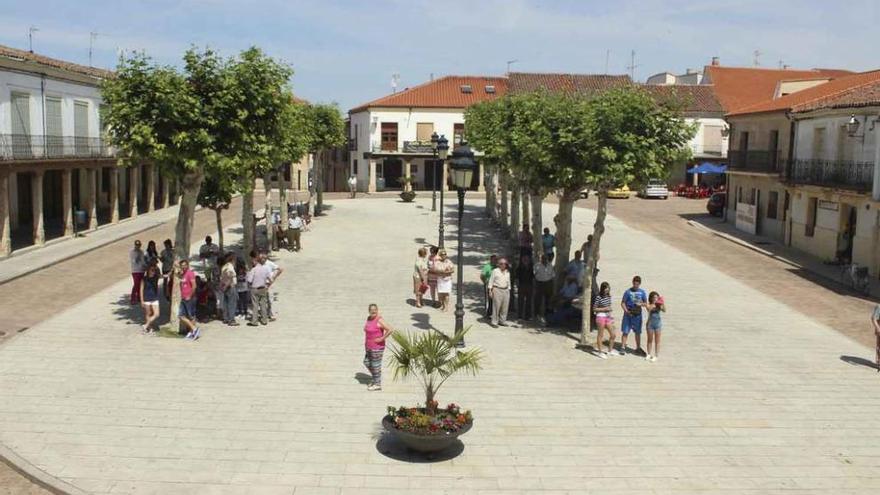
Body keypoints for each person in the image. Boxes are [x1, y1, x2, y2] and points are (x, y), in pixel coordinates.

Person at [363, 303, 394, 391]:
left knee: (375, 365)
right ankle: (376, 378)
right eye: (371, 310)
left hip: (377, 347)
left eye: (374, 310)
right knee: (366, 362)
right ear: (369, 311)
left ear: (377, 310)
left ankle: (377, 384)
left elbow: (390, 329)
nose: (373, 311)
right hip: (368, 346)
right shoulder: (368, 318)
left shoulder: (379, 320)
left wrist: (382, 338)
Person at [620, 275, 648, 356]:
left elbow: (646, 303)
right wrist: (626, 310)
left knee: (638, 332)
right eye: (634, 284)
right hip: (628, 314)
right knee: (625, 331)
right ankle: (622, 347)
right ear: (632, 283)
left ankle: (638, 347)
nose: (635, 285)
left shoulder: (642, 292)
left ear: (639, 284)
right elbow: (623, 302)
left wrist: (641, 304)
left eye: (637, 284)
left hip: (637, 315)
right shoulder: (628, 292)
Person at [247, 253, 274, 326]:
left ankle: (254, 321)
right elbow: (271, 280)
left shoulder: (253, 269)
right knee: (263, 304)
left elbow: (249, 280)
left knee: (255, 305)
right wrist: (267, 285)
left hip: (255, 288)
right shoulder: (266, 269)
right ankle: (264, 320)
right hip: (263, 288)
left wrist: (249, 286)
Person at [177, 259, 200, 340]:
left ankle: (192, 332)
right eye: (181, 265)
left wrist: (190, 296)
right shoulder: (182, 274)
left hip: (190, 298)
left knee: (191, 316)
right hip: (183, 298)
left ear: (187, 265)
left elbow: (194, 286)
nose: (183, 267)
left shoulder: (190, 273)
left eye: (184, 265)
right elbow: (178, 276)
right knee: (181, 315)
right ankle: (193, 329)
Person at [592, 282, 617, 359]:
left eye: (608, 288)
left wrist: (609, 312)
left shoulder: (609, 296)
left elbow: (608, 306)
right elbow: (594, 308)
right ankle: (600, 352)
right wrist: (604, 309)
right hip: (600, 316)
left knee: (613, 334)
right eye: (606, 288)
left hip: (607, 317)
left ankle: (610, 350)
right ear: (602, 289)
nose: (607, 289)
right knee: (600, 335)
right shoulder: (599, 297)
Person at [488, 258, 511, 327]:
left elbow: (508, 281)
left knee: (505, 306)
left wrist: (509, 289)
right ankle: (494, 322)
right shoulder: (495, 271)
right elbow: (491, 280)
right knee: (496, 306)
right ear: (498, 264)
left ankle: (502, 321)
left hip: (506, 290)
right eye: (501, 263)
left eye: (505, 264)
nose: (503, 265)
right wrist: (490, 290)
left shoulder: (507, 272)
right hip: (497, 289)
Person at [261, 251, 283, 320]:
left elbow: (280, 269)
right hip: (262, 284)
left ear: (265, 258)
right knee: (263, 299)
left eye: (263, 258)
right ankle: (265, 314)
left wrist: (274, 277)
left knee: (270, 299)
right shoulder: (259, 264)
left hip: (269, 283)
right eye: (261, 258)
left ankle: (271, 314)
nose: (262, 259)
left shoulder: (269, 263)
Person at [140, 264, 161, 335]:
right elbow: (141, 290)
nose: (153, 271)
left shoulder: (156, 277)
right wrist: (142, 300)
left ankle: (145, 325)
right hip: (146, 299)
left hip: (155, 298)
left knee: (157, 314)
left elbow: (164, 276)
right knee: (148, 314)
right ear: (148, 271)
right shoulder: (144, 279)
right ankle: (149, 328)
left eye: (154, 270)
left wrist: (172, 270)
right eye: (152, 270)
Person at [219, 252, 239, 326]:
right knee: (232, 303)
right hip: (230, 286)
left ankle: (226, 318)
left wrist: (222, 286)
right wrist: (226, 286)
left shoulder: (224, 266)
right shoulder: (230, 267)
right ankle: (231, 320)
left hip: (225, 286)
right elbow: (230, 278)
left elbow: (222, 278)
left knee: (226, 303)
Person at [645, 291, 666, 361]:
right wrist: (654, 304)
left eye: (656, 297)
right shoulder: (649, 304)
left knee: (657, 340)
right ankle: (648, 354)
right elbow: (649, 309)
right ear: (651, 298)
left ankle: (656, 355)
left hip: (658, 324)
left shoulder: (659, 305)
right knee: (649, 340)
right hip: (650, 324)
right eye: (654, 297)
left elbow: (664, 310)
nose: (655, 299)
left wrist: (662, 303)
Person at [534, 254, 555, 318]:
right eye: (543, 258)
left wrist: (552, 284)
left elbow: (553, 275)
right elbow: (534, 275)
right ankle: (536, 313)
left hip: (548, 283)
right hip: (539, 283)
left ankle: (547, 314)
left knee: (548, 299)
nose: (544, 260)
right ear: (541, 259)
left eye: (545, 258)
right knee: (538, 299)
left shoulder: (550, 265)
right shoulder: (537, 265)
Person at [516, 254, 534, 320]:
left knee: (529, 301)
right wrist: (518, 285)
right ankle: (520, 315)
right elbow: (517, 277)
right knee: (520, 301)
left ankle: (527, 316)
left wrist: (533, 286)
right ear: (522, 260)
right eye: (524, 259)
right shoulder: (519, 267)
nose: (526, 261)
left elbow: (533, 277)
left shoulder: (531, 267)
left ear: (529, 260)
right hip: (522, 285)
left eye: (527, 259)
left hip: (529, 285)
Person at [129, 240, 146, 305]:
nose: (138, 246)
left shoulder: (141, 252)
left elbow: (142, 261)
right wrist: (138, 255)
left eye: (139, 245)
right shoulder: (132, 252)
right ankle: (133, 298)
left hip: (141, 270)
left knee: (140, 284)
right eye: (137, 245)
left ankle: (139, 297)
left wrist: (145, 266)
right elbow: (134, 261)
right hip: (135, 270)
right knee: (136, 284)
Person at [873, 305, 880, 372]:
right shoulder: (879, 307)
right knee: (879, 346)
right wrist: (878, 328)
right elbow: (873, 318)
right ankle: (878, 362)